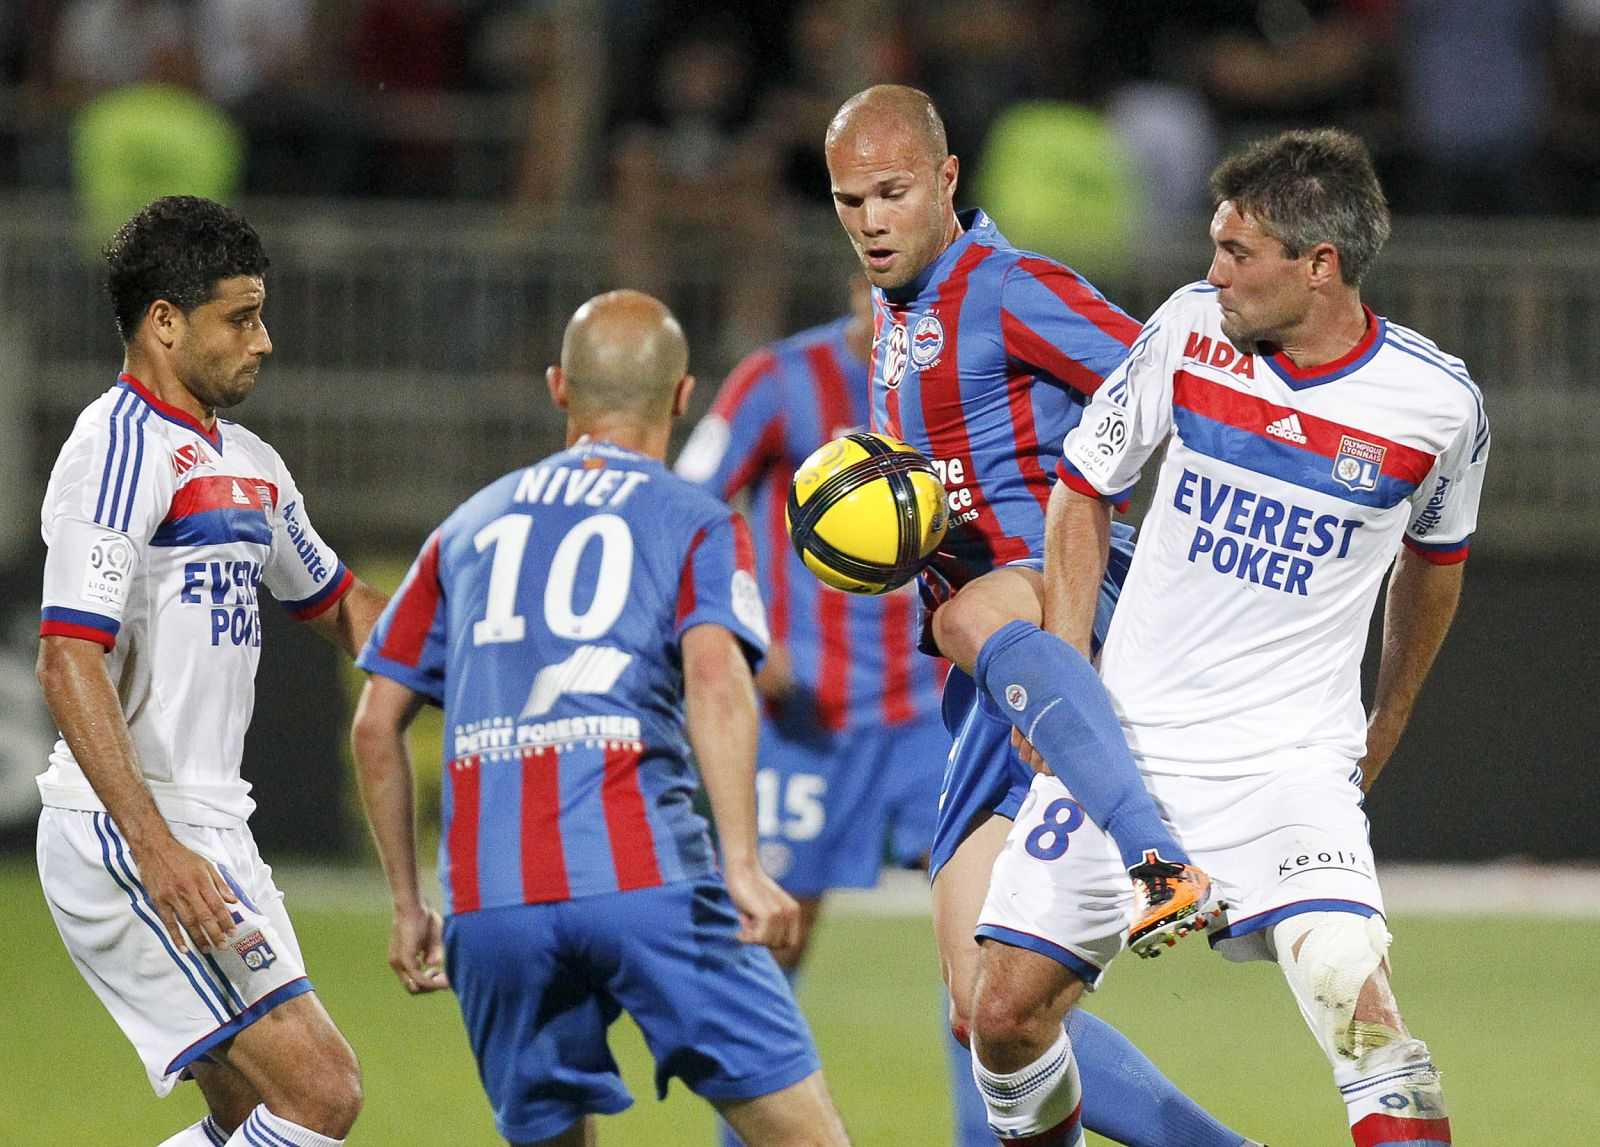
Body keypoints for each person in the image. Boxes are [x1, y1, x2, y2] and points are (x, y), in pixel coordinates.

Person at [978, 128, 1483, 1146]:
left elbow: (1433, 573)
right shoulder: (1185, 331)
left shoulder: (1439, 408)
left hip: (1287, 765)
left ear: (1319, 265)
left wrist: (1381, 727)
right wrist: (1071, 674)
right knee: (998, 1017)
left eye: (1236, 253)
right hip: (1126, 742)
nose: (1212, 273)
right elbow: (1084, 493)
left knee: (1366, 1023)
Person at [825, 85, 1260, 1147]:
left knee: (970, 605)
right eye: (849, 200)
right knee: (984, 1012)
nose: (871, 219)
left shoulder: (1008, 288)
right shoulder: (895, 313)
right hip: (983, 680)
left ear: (944, 180)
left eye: (890, 193)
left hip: (1063, 602)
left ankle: (1157, 854)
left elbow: (1165, 380)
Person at [349, 289, 851, 1147]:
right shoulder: (694, 519)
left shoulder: (465, 527)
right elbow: (718, 681)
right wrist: (742, 861)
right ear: (685, 396)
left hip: (491, 903)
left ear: (557, 387)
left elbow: (374, 723)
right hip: (647, 881)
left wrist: (406, 901)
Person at [34, 195, 387, 1147]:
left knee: (250, 1116)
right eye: (240, 317)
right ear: (163, 323)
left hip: (211, 827)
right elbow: (69, 655)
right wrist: (153, 845)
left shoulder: (251, 465)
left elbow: (343, 604)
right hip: (129, 832)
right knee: (322, 1093)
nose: (263, 340)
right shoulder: (116, 448)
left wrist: (471, 665)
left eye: (260, 314)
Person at [674, 276, 991, 1146]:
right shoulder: (777, 380)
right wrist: (743, 627)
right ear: (858, 281)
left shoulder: (963, 381)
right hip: (808, 717)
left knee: (983, 948)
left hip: (938, 710)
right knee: (773, 946)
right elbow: (686, 505)